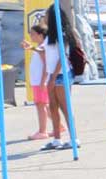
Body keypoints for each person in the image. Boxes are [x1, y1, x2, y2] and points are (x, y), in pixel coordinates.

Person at [42, 4, 81, 151]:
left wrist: (52, 78)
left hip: (61, 75)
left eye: (46, 14)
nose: (44, 17)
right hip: (52, 74)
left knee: (65, 108)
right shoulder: (50, 34)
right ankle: (56, 139)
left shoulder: (61, 34)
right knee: (53, 107)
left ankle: (74, 139)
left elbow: (62, 57)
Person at [21, 24, 52, 140]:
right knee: (44, 105)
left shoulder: (43, 47)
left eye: (33, 34)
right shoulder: (40, 47)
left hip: (40, 81)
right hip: (38, 81)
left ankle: (42, 131)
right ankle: (58, 126)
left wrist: (43, 81)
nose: (31, 36)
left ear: (40, 35)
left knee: (41, 105)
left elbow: (46, 65)